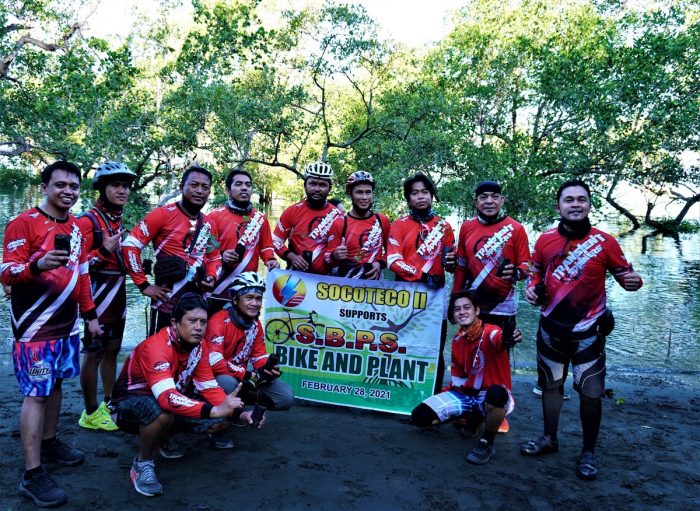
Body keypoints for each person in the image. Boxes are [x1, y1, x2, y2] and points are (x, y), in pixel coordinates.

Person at [520, 179, 643, 481]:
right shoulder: (545, 240)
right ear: (558, 206)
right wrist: (532, 289)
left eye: (581, 199)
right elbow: (534, 273)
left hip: (589, 331)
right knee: (550, 387)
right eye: (569, 200)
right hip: (550, 328)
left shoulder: (606, 241)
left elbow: (626, 274)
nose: (575, 204)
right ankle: (549, 438)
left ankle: (588, 452)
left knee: (591, 393)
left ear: (590, 204)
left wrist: (633, 281)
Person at [2, 160, 102, 508]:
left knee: (57, 385)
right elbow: (6, 273)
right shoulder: (23, 223)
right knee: (38, 394)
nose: (68, 191)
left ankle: (49, 441)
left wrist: (90, 315)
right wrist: (36, 266)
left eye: (74, 186)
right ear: (44, 187)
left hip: (67, 328)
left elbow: (83, 274)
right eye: (60, 185)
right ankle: (32, 474)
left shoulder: (77, 227)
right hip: (36, 333)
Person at [111, 293, 255, 497]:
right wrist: (212, 410)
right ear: (175, 323)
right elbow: (167, 398)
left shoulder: (200, 346)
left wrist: (240, 414)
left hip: (166, 402)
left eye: (203, 322)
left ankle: (163, 437)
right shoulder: (156, 346)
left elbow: (208, 387)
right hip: (126, 407)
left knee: (222, 421)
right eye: (192, 321)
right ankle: (142, 463)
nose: (198, 327)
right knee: (162, 413)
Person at [452, 180, 530, 432]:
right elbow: (461, 266)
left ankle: (499, 410)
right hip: (473, 306)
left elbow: (527, 266)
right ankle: (469, 405)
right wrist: (454, 302)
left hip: (503, 306)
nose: (488, 201)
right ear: (475, 202)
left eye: (494, 197)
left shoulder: (515, 229)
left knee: (498, 358)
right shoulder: (466, 227)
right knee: (469, 354)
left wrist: (516, 272)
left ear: (502, 200)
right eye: (483, 197)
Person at [410, 290, 516, 465]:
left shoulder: (491, 331)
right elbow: (458, 380)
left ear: (477, 311)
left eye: (467, 308)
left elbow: (501, 339)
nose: (462, 312)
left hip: (492, 397)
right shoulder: (457, 339)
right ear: (453, 314)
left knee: (496, 395)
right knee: (420, 417)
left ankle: (487, 442)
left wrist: (509, 338)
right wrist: (443, 403)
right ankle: (472, 418)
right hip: (468, 394)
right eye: (457, 309)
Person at [122, 166, 221, 335]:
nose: (199, 191)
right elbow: (130, 246)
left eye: (205, 188)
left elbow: (214, 257)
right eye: (194, 185)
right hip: (166, 302)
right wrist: (143, 285)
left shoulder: (209, 224)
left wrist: (211, 276)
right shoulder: (161, 214)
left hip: (196, 304)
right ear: (182, 187)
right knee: (161, 355)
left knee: (191, 356)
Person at [77, 162, 137, 432]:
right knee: (94, 352)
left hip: (118, 293)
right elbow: (73, 266)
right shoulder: (87, 221)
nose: (122, 191)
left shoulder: (117, 218)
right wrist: (103, 251)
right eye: (115, 185)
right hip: (97, 294)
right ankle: (90, 411)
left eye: (125, 186)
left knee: (113, 350)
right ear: (102, 188)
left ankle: (110, 403)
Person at [204, 272, 294, 448]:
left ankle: (240, 412)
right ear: (236, 300)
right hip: (218, 378)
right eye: (249, 298)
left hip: (243, 377)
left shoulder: (255, 324)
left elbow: (259, 354)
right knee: (227, 383)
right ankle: (218, 428)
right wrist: (248, 374)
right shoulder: (218, 322)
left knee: (286, 396)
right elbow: (215, 362)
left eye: (258, 298)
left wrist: (268, 367)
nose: (255, 303)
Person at [387, 172, 455, 392]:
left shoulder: (445, 227)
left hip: (435, 299)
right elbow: (393, 261)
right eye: (414, 193)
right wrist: (423, 276)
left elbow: (451, 263)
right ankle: (398, 391)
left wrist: (453, 263)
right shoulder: (399, 224)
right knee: (401, 346)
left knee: (435, 349)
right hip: (404, 296)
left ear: (432, 195)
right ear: (408, 199)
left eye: (425, 192)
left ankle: (432, 394)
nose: (420, 197)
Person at [207, 169, 279, 314]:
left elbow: (266, 247)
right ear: (228, 190)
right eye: (238, 184)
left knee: (243, 332)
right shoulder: (214, 216)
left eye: (248, 185)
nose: (244, 188)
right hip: (217, 286)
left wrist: (270, 259)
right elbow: (205, 251)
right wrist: (222, 255)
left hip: (246, 289)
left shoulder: (260, 218)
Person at [272, 161, 341, 274]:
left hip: (325, 281)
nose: (317, 189)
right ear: (305, 185)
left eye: (322, 185)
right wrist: (291, 256)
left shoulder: (337, 215)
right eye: (313, 184)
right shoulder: (292, 211)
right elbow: (275, 241)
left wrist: (335, 256)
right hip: (295, 276)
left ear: (330, 188)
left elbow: (338, 252)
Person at [325, 171, 390, 279]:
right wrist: (334, 255)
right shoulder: (340, 222)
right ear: (350, 194)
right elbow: (327, 259)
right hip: (346, 288)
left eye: (368, 192)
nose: (364, 197)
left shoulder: (382, 221)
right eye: (359, 192)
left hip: (375, 288)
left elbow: (392, 253)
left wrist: (380, 263)